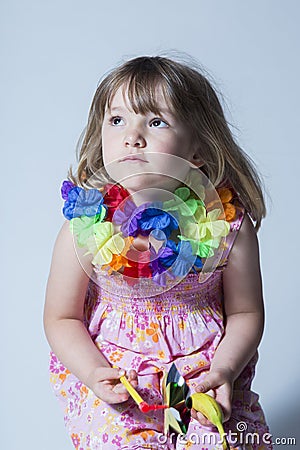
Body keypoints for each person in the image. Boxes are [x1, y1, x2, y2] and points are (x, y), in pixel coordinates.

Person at [44, 56, 272, 450]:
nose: (132, 136)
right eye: (117, 120)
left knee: (226, 443)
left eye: (155, 122)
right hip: (121, 387)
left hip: (205, 380)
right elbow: (61, 317)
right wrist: (94, 372)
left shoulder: (229, 228)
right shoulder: (83, 230)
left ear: (198, 149)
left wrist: (225, 369)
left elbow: (246, 312)